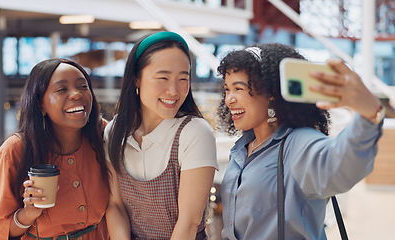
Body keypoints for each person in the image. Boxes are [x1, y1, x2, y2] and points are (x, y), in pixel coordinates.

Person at [218, 43, 384, 239]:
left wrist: (369, 114)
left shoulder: (298, 144)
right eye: (227, 89)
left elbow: (340, 166)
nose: (229, 99)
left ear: (271, 93)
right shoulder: (242, 148)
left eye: (239, 88)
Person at [104, 31, 219, 239]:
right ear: (136, 79)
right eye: (163, 77)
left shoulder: (194, 132)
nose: (173, 91)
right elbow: (115, 205)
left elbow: (189, 222)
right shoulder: (115, 131)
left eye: (183, 78)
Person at [0, 58, 110, 239]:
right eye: (62, 89)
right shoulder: (15, 150)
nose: (76, 94)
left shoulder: (102, 134)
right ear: (40, 103)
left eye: (83, 86)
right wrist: (28, 214)